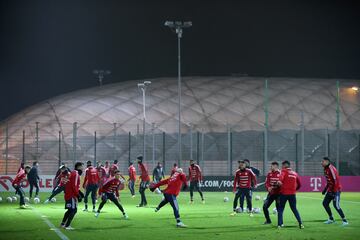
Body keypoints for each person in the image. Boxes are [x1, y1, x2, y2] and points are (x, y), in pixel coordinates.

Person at [277, 160, 304, 229]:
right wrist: (295, 190)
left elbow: (280, 179)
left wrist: (279, 182)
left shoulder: (283, 171)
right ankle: (301, 223)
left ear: (285, 165)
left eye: (282, 165)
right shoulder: (295, 173)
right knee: (294, 209)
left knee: (280, 209)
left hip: (284, 194)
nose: (281, 167)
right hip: (292, 194)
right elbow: (300, 185)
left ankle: (280, 225)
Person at [321, 157, 348, 226]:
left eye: (323, 161)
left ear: (327, 162)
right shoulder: (325, 169)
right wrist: (325, 189)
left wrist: (334, 191)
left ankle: (345, 221)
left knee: (336, 205)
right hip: (330, 190)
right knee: (325, 203)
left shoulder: (331, 169)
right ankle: (331, 218)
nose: (321, 163)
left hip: (336, 190)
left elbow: (335, 181)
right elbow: (329, 181)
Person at [60, 162, 84, 230]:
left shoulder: (73, 173)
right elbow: (74, 186)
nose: (83, 168)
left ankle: (63, 223)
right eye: (82, 166)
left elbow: (72, 185)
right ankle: (67, 226)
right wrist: (78, 195)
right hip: (71, 195)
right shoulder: (76, 174)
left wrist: (79, 192)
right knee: (74, 210)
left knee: (70, 210)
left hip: (68, 194)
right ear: (79, 167)